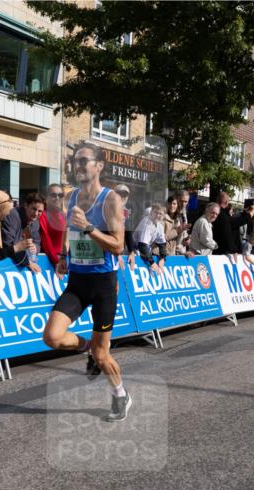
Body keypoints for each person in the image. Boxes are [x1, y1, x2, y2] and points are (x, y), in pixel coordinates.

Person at [42, 142, 131, 422]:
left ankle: (120, 395)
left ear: (99, 166)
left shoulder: (111, 200)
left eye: (84, 161)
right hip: (78, 281)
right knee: (52, 336)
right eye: (75, 161)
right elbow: (71, 228)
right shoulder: (70, 197)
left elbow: (118, 246)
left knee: (104, 356)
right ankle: (87, 348)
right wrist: (64, 255)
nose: (78, 166)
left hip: (104, 284)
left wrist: (90, 228)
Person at [0, 192, 45, 273]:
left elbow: (37, 242)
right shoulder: (12, 215)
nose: (36, 214)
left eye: (40, 211)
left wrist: (35, 248)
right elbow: (7, 243)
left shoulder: (35, 222)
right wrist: (27, 262)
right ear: (26, 205)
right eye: (34, 209)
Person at [129, 203, 168, 272]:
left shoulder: (159, 225)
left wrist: (162, 259)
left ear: (164, 216)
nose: (157, 215)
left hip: (143, 252)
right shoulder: (147, 223)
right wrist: (152, 263)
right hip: (132, 252)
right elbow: (142, 245)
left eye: (160, 214)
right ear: (151, 212)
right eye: (155, 212)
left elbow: (162, 244)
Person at [39, 183, 66, 267]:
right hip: (50, 263)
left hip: (65, 261)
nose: (57, 198)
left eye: (60, 195)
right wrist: (57, 261)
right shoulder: (42, 216)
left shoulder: (63, 216)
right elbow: (46, 241)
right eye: (53, 195)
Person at [212, 191, 238, 256]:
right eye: (213, 213)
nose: (214, 215)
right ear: (226, 202)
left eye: (216, 213)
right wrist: (233, 250)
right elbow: (226, 234)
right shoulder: (223, 217)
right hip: (218, 251)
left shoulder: (225, 215)